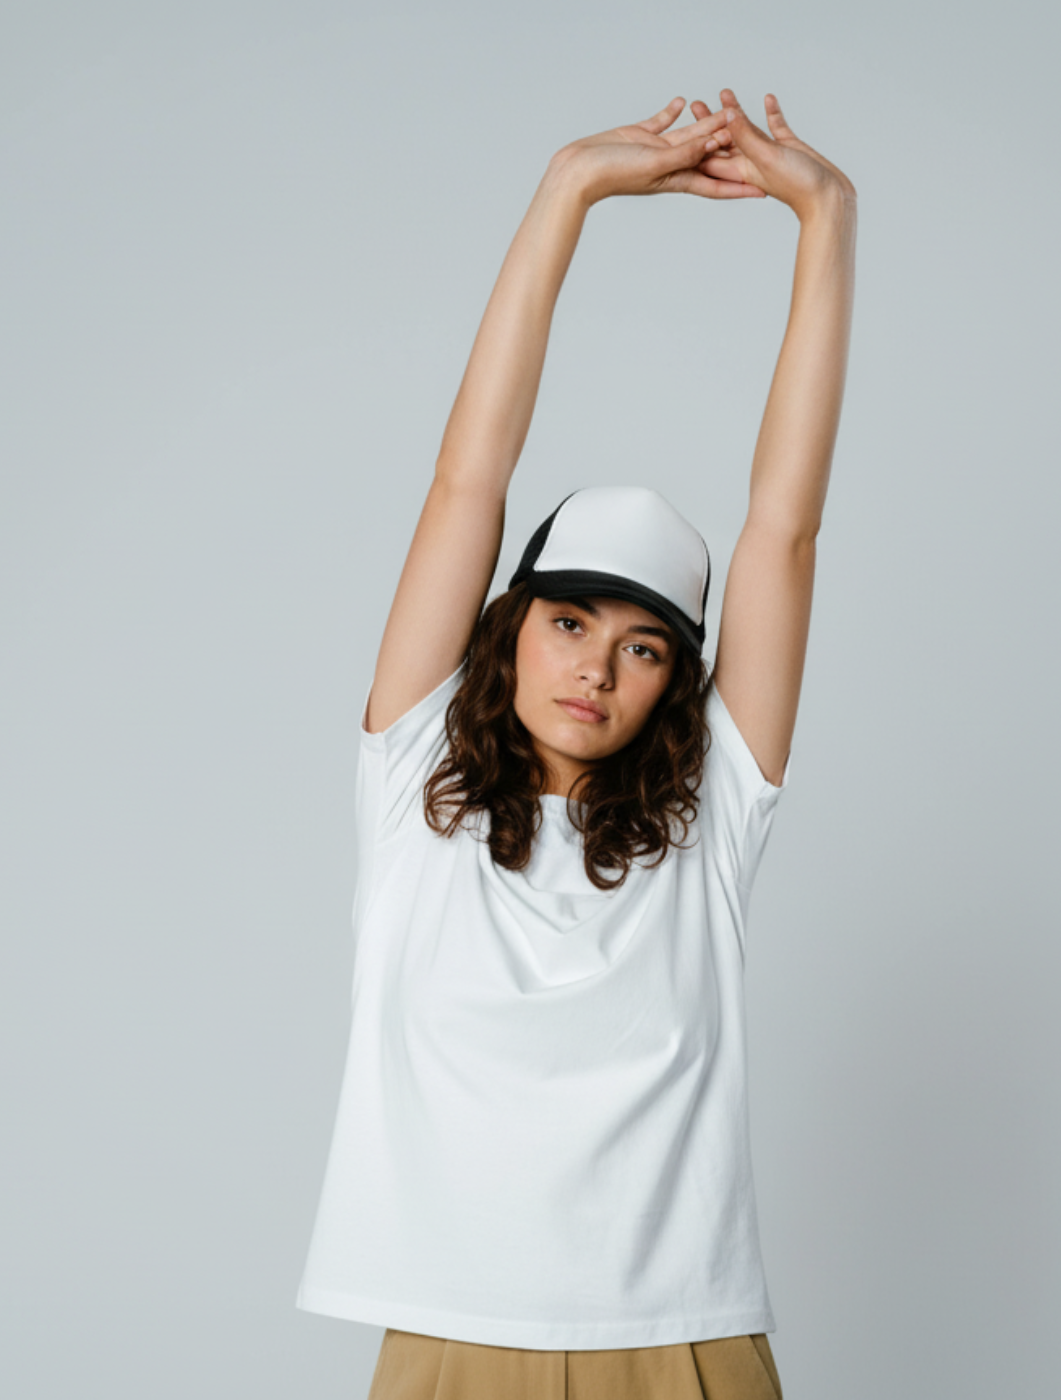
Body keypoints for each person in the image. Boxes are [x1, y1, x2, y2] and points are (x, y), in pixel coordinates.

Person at [295, 89, 856, 1400]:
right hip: (448, 1338)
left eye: (646, 646)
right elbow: (467, 481)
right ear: (510, 629)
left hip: (680, 1343)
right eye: (566, 622)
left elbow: (784, 531)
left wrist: (826, 217)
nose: (597, 667)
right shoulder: (411, 775)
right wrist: (568, 188)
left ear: (676, 681)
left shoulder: (711, 816)